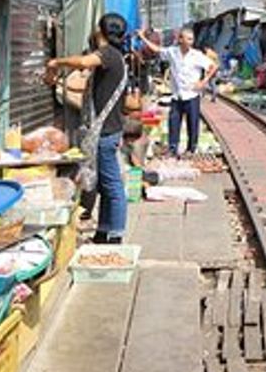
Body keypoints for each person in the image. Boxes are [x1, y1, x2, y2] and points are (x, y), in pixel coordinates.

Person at [47, 13, 129, 243]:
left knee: (112, 186)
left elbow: (84, 62)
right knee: (103, 184)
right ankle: (103, 232)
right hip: (104, 131)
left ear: (101, 31)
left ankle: (116, 235)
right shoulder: (114, 57)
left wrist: (56, 62)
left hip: (105, 133)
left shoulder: (109, 55)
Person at [137, 27, 215, 157]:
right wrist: (143, 38)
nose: (190, 42)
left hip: (192, 95)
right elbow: (156, 49)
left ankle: (191, 149)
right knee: (173, 122)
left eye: (192, 39)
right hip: (176, 95)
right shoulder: (172, 52)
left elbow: (213, 66)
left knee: (193, 123)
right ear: (180, 39)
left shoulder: (197, 55)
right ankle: (173, 148)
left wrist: (203, 81)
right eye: (188, 39)